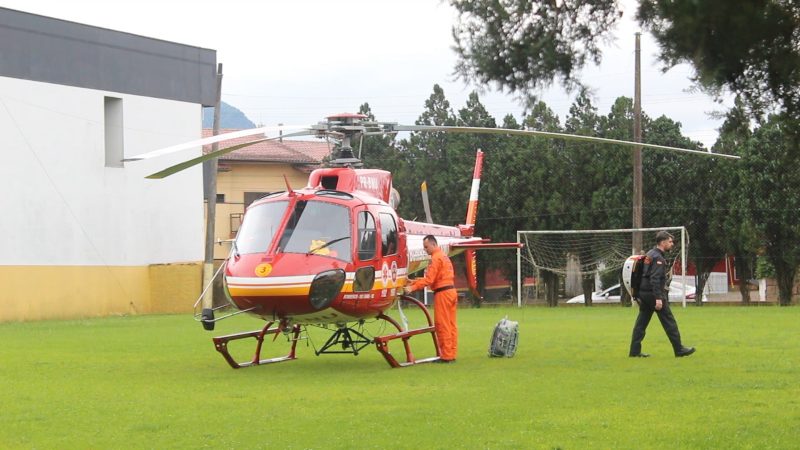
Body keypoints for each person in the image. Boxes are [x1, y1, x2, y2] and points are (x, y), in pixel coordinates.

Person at [629, 231, 696, 358]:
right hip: (652, 294)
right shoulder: (658, 258)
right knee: (669, 321)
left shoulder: (650, 254)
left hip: (644, 293)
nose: (672, 244)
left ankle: (634, 351)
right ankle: (679, 349)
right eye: (670, 242)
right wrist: (658, 299)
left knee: (641, 323)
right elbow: (654, 279)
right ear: (663, 242)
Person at [405, 235, 458, 363]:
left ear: (433, 245)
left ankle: (446, 356)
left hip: (443, 294)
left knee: (442, 325)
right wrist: (413, 281)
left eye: (426, 247)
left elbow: (429, 280)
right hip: (451, 291)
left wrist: (411, 288)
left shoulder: (435, 259)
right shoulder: (444, 256)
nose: (425, 250)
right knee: (451, 325)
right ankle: (451, 353)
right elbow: (436, 277)